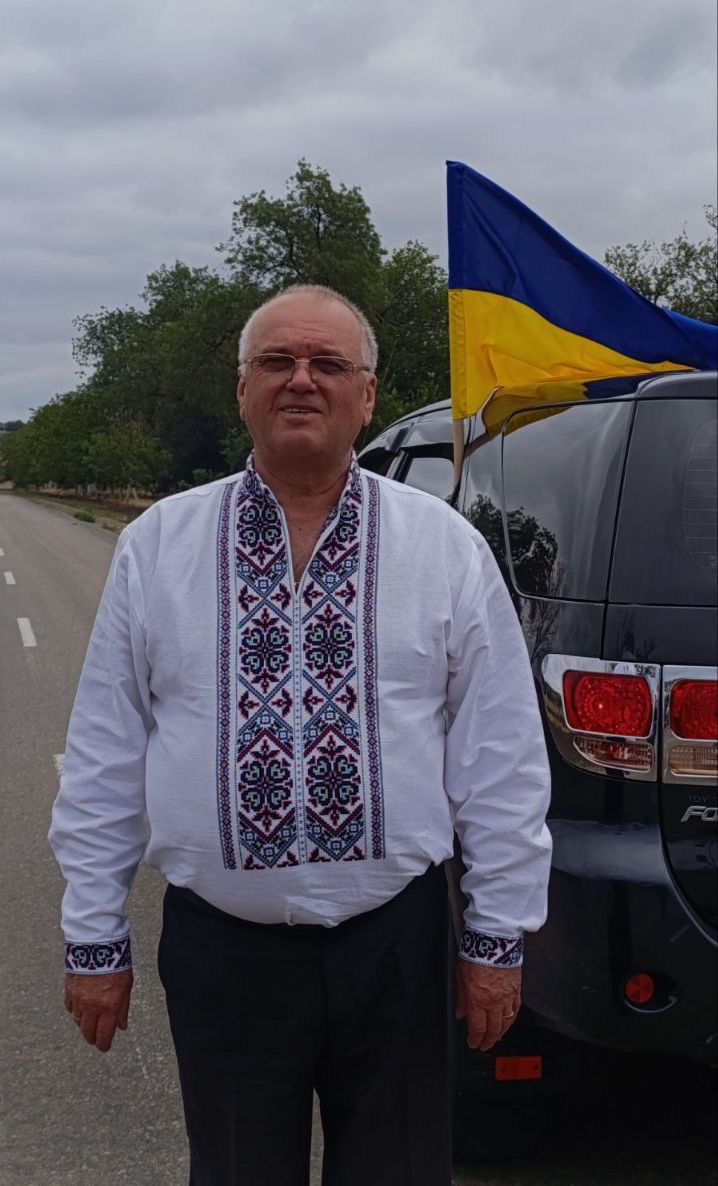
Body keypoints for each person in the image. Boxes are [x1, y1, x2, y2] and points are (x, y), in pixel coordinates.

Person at [49, 284, 552, 1186]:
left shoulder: (441, 545)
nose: (302, 381)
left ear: (367, 395)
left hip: (396, 948)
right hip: (223, 953)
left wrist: (496, 937)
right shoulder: (160, 543)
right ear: (242, 389)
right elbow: (106, 752)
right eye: (276, 361)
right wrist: (93, 936)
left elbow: (501, 756)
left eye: (329, 364)